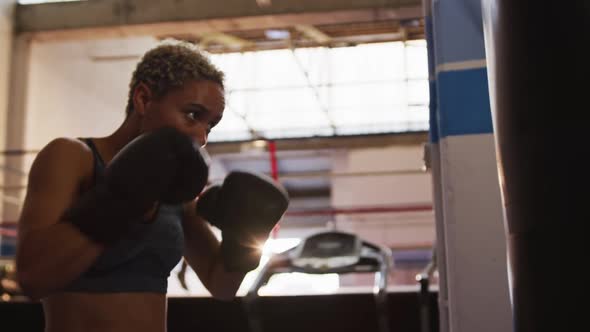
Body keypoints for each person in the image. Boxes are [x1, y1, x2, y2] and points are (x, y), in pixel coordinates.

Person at [15, 41, 288, 332]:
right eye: (193, 115)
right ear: (143, 99)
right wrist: (118, 199)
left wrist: (244, 237)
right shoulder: (73, 157)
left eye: (210, 125)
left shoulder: (173, 190)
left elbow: (221, 285)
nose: (202, 136)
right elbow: (33, 278)